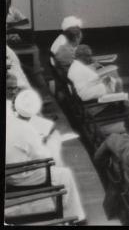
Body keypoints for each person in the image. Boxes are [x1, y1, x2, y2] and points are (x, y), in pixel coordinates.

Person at [6, 90, 85, 223]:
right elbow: (43, 157)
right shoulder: (25, 128)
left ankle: (67, 211)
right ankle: (75, 216)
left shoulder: (11, 123)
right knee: (64, 173)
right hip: (21, 177)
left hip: (10, 173)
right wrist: (45, 142)